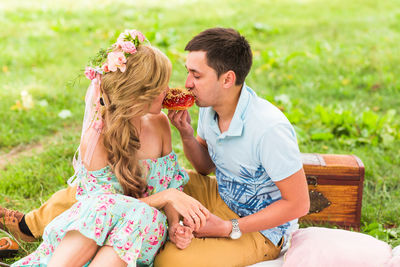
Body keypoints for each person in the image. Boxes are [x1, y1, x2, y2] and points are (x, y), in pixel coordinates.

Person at [8, 29, 209, 266]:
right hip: (91, 235)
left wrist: (175, 225)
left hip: (139, 233)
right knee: (109, 208)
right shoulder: (98, 136)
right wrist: (167, 196)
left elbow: (168, 187)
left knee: (144, 215)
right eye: (161, 87)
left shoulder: (160, 124)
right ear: (139, 94)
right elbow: (101, 206)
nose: (168, 91)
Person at [154, 27, 310, 266]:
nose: (187, 84)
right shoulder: (209, 107)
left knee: (171, 261)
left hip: (262, 230)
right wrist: (186, 135)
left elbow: (299, 204)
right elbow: (205, 167)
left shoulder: (269, 129)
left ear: (227, 79)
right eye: (188, 73)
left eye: (196, 76)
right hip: (221, 196)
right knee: (155, 181)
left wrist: (228, 227)